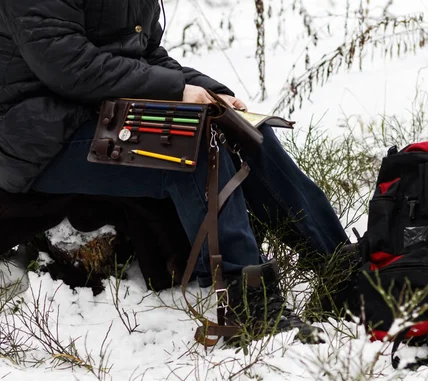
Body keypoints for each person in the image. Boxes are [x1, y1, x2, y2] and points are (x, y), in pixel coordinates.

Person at [0, 0, 349, 341]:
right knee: (190, 149)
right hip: (34, 134)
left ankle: (341, 269)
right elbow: (69, 66)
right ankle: (249, 302)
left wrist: (213, 94)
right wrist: (177, 91)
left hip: (94, 112)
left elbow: (146, 56)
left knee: (245, 130)